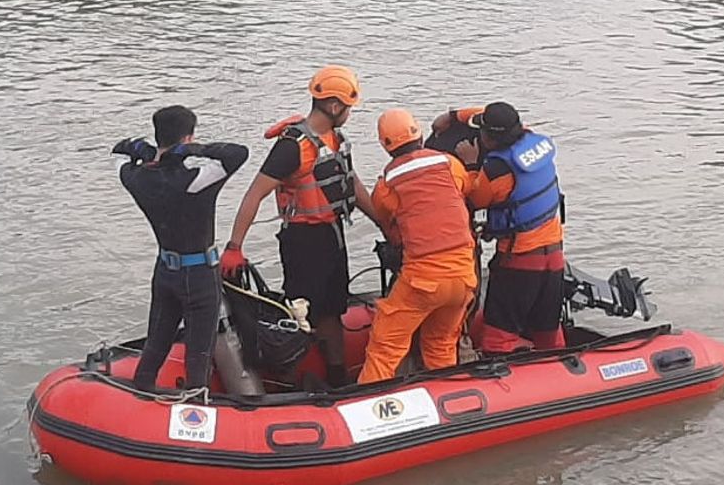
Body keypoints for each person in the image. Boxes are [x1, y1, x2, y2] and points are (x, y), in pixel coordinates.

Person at [220, 66, 377, 387]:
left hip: (333, 237)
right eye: (348, 107)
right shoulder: (292, 147)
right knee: (299, 314)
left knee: (332, 310)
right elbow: (255, 194)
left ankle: (336, 377)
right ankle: (287, 384)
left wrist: (387, 225)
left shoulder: (335, 140)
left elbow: (352, 186)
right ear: (334, 106)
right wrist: (235, 246)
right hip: (303, 242)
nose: (349, 114)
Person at [114, 105, 249, 391]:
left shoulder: (137, 179)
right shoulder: (194, 180)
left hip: (164, 271)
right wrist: (194, 151)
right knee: (198, 354)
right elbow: (238, 153)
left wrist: (148, 153)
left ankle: (141, 400)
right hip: (199, 274)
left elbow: (120, 161)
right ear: (188, 138)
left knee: (155, 345)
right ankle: (195, 413)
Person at [357, 109, 477, 384]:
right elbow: (465, 189)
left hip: (424, 281)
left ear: (385, 146)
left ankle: (368, 407)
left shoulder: (386, 185)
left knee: (385, 346)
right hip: (463, 277)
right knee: (441, 344)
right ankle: (449, 395)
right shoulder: (449, 163)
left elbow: (390, 226)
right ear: (420, 134)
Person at [454, 102, 566, 353]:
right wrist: (453, 116)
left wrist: (471, 165)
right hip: (555, 256)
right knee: (548, 329)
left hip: (520, 262)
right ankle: (558, 376)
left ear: (489, 139)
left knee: (498, 333)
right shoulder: (534, 143)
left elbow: (475, 198)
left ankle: (498, 385)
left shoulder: (496, 171)